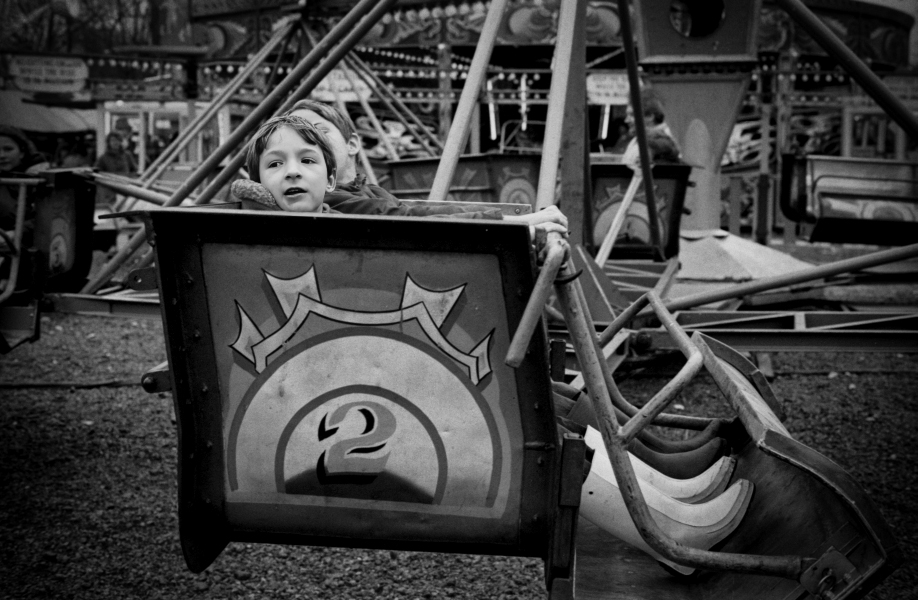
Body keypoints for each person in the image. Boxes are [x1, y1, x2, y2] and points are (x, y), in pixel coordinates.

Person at [284, 100, 568, 231]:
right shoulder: (330, 200)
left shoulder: (368, 191)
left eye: (320, 130)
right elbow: (412, 220)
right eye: (299, 138)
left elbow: (419, 211)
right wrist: (516, 224)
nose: (311, 141)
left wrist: (515, 220)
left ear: (353, 144)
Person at [94, 131, 138, 206]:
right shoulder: (103, 158)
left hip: (126, 189)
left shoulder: (127, 155)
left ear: (120, 142)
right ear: (109, 142)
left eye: (117, 140)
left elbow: (134, 170)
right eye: (113, 140)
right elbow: (97, 173)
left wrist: (130, 180)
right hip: (111, 192)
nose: (115, 142)